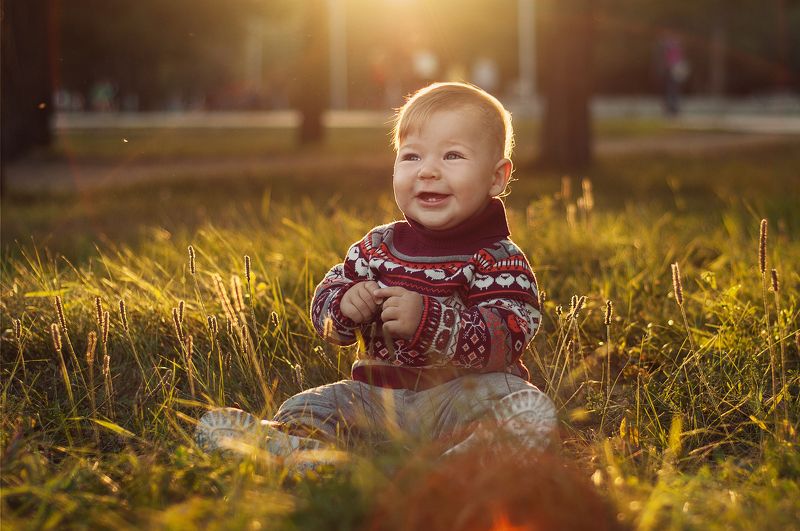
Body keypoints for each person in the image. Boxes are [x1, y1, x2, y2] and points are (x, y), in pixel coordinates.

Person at [195, 82, 557, 463]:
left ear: (497, 177)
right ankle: (296, 451)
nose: (428, 171)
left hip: (459, 398)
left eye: (452, 156)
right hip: (376, 398)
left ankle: (466, 461)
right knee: (318, 402)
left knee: (516, 398)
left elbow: (507, 338)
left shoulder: (498, 259)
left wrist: (429, 320)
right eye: (412, 157)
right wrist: (344, 306)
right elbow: (329, 315)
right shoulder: (378, 246)